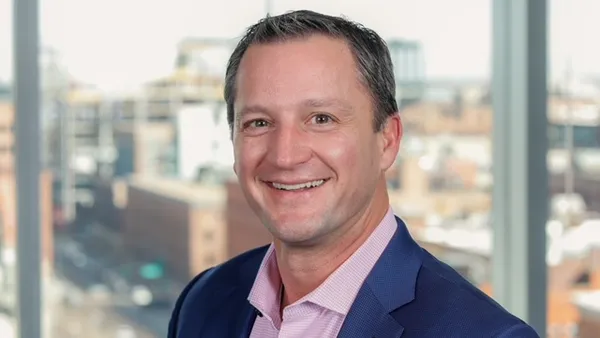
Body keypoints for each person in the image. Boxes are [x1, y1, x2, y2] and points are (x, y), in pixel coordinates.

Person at [168, 10, 540, 338]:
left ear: (388, 140)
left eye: (321, 119)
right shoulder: (204, 301)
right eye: (259, 122)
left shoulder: (485, 335)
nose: (285, 155)